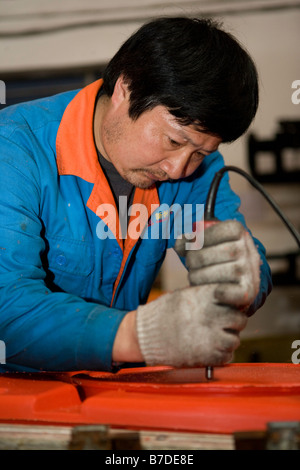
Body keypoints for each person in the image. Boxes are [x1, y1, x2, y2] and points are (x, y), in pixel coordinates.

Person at [0, 17, 272, 373]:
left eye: (200, 152)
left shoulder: (196, 168)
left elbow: (250, 264)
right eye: (173, 140)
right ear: (125, 88)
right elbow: (7, 307)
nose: (178, 170)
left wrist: (244, 275)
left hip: (119, 394)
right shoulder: (15, 150)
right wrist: (137, 336)